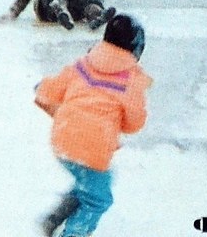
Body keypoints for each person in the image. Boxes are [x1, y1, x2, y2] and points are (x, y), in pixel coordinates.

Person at [33, 13, 151, 237]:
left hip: (63, 138)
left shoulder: (84, 64)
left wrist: (41, 88)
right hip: (93, 148)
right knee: (98, 200)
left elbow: (50, 90)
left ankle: (54, 218)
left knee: (92, 182)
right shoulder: (131, 81)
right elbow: (134, 123)